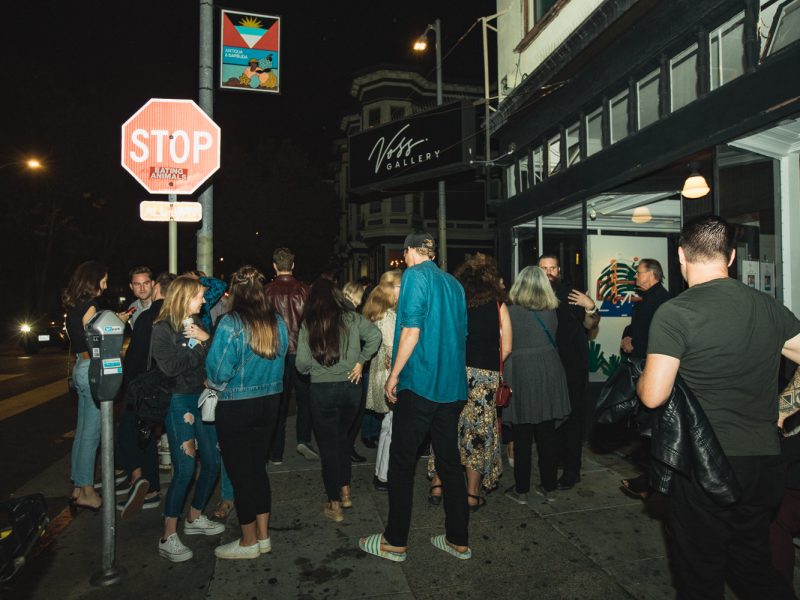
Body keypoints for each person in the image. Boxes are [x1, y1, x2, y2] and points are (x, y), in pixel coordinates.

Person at [637, 215, 800, 599]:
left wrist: (643, 373)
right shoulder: (769, 307)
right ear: (730, 257)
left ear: (681, 255)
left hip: (704, 465)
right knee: (753, 566)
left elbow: (653, 396)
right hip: (762, 463)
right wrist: (784, 405)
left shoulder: (676, 312)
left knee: (699, 574)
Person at [359, 231, 470, 562]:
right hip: (451, 388)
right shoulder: (454, 284)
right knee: (450, 464)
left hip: (419, 384)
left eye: (403, 253)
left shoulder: (413, 277)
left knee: (401, 463)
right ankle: (458, 540)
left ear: (409, 252)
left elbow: (411, 329)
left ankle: (395, 540)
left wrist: (393, 375)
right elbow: (461, 334)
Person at [206, 266, 288, 560]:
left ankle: (248, 541)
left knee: (241, 475)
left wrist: (211, 381)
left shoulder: (231, 323)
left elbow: (217, 372)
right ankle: (263, 537)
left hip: (237, 406)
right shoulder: (277, 321)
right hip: (269, 404)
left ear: (235, 292)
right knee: (257, 470)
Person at [428, 253, 511, 509]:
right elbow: (506, 348)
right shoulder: (498, 307)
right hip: (484, 378)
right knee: (477, 433)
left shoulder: (455, 303)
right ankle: (472, 495)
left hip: (454, 373)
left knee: (448, 427)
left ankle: (438, 484)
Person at [296, 278, 380, 523]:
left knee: (328, 447)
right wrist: (361, 360)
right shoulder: (352, 318)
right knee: (343, 440)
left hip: (322, 390)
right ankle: (345, 490)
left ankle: (334, 503)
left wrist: (316, 367)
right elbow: (374, 336)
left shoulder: (309, 324)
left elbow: (301, 364)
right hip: (351, 389)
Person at [151, 276, 224, 562]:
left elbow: (215, 358)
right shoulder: (162, 328)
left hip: (201, 397)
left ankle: (194, 518)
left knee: (212, 461)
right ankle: (167, 535)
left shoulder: (198, 325)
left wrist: (206, 342)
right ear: (184, 297)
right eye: (199, 296)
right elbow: (169, 367)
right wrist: (197, 347)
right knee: (184, 468)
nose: (204, 300)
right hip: (178, 401)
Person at [504, 265, 571, 504]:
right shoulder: (552, 310)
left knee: (522, 434)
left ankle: (521, 489)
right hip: (549, 371)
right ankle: (549, 486)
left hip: (520, 371)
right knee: (546, 433)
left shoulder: (510, 312)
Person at [116, 271, 176, 518]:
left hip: (142, 386)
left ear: (156, 287)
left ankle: (140, 479)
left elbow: (134, 359)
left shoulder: (147, 317)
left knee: (127, 432)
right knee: (147, 433)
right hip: (167, 385)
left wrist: (127, 386)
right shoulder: (175, 316)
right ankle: (149, 487)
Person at [537, 254, 599, 490]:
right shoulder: (534, 295)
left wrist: (590, 306)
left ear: (559, 270)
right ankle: (556, 461)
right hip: (545, 367)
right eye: (544, 268)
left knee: (572, 418)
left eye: (552, 268)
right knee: (550, 419)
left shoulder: (571, 293)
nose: (549, 272)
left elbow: (591, 324)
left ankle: (572, 470)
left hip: (571, 367)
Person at [63, 260, 114, 511]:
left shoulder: (73, 305)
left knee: (82, 431)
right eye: (103, 279)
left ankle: (77, 485)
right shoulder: (92, 306)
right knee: (92, 432)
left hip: (79, 367)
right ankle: (86, 491)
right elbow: (96, 340)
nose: (105, 284)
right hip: (91, 367)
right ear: (95, 280)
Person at [618, 258, 670, 500]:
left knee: (653, 426)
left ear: (652, 274)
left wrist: (634, 342)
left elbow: (657, 335)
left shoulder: (661, 300)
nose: (636, 277)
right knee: (647, 425)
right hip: (642, 364)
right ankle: (650, 478)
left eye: (639, 273)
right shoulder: (647, 298)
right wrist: (628, 336)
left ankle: (653, 481)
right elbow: (635, 327)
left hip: (652, 368)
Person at [264, 247, 317, 464]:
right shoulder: (305, 290)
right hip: (301, 351)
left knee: (279, 402)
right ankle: (303, 439)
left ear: (275, 266)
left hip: (276, 353)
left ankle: (276, 452)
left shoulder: (266, 291)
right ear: (293, 266)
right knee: (305, 400)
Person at [362, 270, 403, 491]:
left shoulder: (379, 312)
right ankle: (384, 475)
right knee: (392, 426)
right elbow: (391, 349)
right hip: (390, 375)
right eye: (401, 286)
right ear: (392, 288)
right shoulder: (388, 316)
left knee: (388, 426)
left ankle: (382, 473)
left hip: (383, 373)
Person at [342, 280, 369, 463]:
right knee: (353, 416)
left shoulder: (339, 311)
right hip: (352, 370)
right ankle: (346, 451)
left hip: (341, 369)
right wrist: (361, 361)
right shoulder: (352, 314)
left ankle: (344, 450)